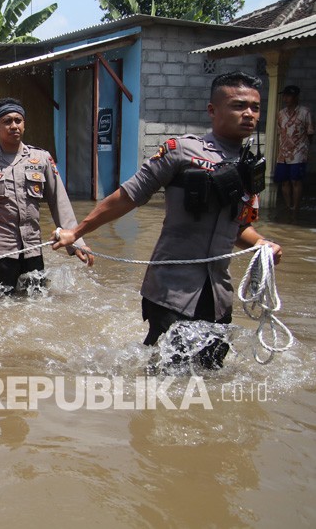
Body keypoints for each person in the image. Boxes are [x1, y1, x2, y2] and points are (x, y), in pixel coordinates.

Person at [53, 71, 283, 370]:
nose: (249, 114)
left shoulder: (250, 167)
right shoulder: (181, 151)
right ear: (213, 110)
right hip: (171, 292)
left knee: (209, 379)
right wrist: (76, 232)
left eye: (255, 107)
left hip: (218, 297)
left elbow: (239, 226)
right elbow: (127, 196)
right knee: (163, 379)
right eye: (239, 106)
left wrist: (263, 243)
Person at [0, 98, 91, 296]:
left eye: (18, 120)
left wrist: (76, 241)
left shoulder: (41, 159)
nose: (14, 126)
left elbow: (59, 201)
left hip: (33, 248)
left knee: (36, 303)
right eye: (7, 121)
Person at [275, 85, 314, 217]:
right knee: (284, 181)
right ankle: (288, 206)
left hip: (298, 152)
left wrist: (304, 148)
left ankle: (295, 208)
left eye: (288, 95)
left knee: (296, 180)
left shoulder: (304, 112)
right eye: (284, 96)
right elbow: (280, 131)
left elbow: (310, 132)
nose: (286, 98)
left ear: (296, 97)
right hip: (283, 153)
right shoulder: (281, 114)